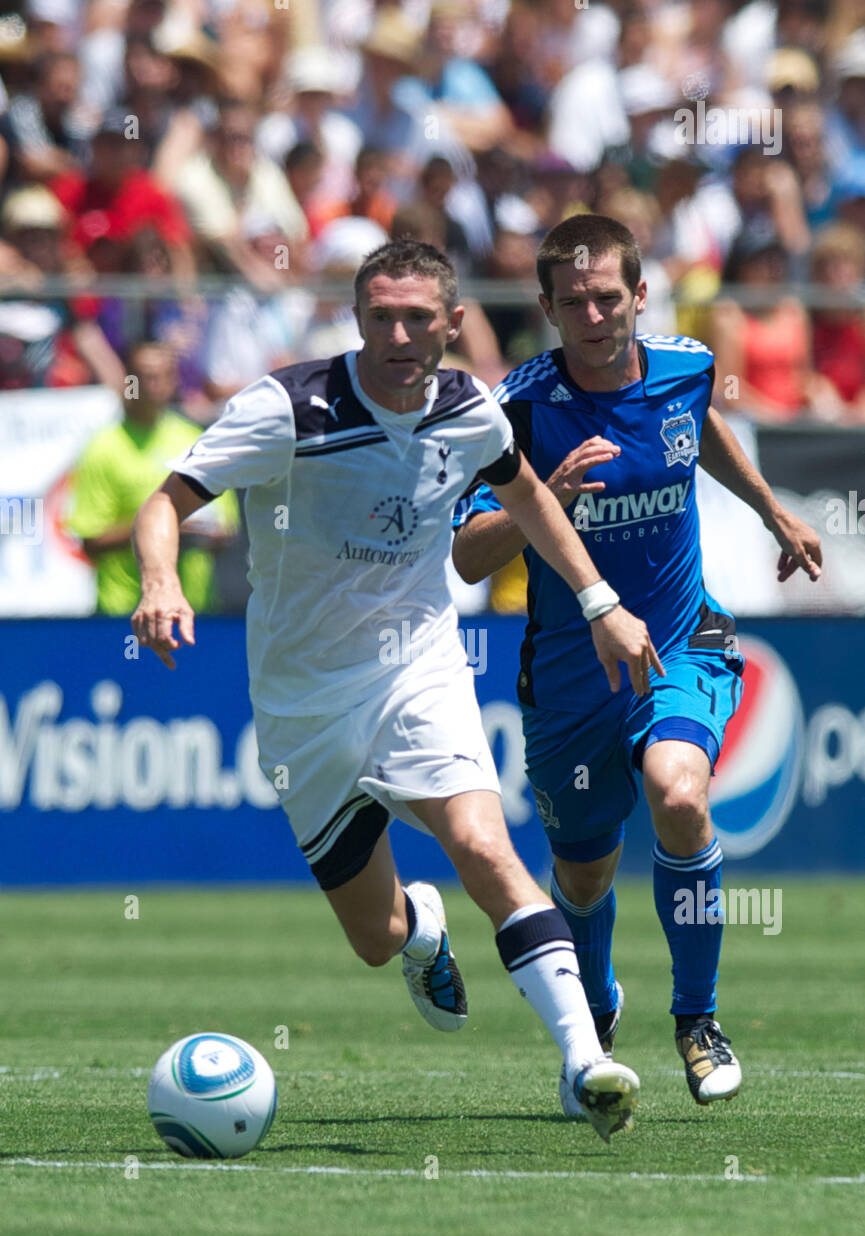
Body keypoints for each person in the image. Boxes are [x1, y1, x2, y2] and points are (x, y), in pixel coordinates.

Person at [129, 237, 666, 1142]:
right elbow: (166, 502)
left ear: (454, 324)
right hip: (303, 706)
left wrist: (600, 599)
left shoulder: (467, 408)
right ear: (357, 318)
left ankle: (584, 1063)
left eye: (418, 317)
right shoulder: (288, 407)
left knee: (484, 846)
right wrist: (159, 581)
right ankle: (422, 926)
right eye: (380, 315)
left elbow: (526, 495)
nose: (399, 333)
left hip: (417, 670)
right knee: (374, 938)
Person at [451, 214, 822, 1113]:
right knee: (583, 872)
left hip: (682, 640)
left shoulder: (685, 368)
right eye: (571, 300)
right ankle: (598, 998)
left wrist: (774, 511)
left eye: (607, 296)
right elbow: (467, 556)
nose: (592, 312)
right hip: (571, 679)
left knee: (679, 793)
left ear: (639, 296)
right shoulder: (520, 411)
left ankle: (696, 1019)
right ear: (543, 306)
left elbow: (707, 432)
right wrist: (544, 498)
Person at [66, 341, 238, 614]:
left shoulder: (195, 440)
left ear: (174, 381)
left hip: (195, 612)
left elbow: (225, 527)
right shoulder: (103, 449)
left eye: (161, 376)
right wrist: (161, 528)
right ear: (128, 381)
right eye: (142, 376)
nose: (152, 385)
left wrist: (207, 536)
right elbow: (90, 542)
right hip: (123, 615)